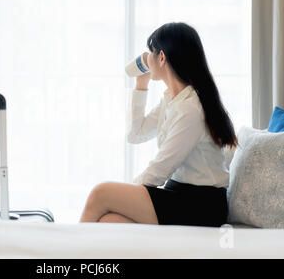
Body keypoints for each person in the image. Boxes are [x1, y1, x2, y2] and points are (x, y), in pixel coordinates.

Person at [79, 22, 238, 227]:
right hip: (179, 192)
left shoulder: (191, 109)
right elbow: (135, 134)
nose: (147, 58)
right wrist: (140, 86)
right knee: (110, 221)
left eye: (150, 52)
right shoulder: (172, 100)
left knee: (101, 193)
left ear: (161, 57)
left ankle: (67, 254)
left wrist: (125, 195)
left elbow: (160, 168)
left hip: (201, 204)